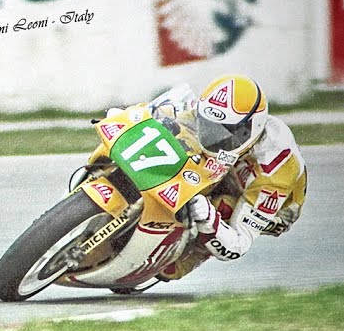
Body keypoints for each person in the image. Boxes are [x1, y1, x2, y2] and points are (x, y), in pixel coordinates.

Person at [112, 74, 309, 281]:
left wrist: (208, 217)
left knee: (218, 207)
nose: (214, 137)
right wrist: (131, 118)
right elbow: (167, 114)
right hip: (228, 163)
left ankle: (185, 255)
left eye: (223, 133)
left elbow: (238, 245)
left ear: (248, 130)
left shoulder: (275, 171)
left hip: (270, 204)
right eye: (208, 126)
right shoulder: (208, 112)